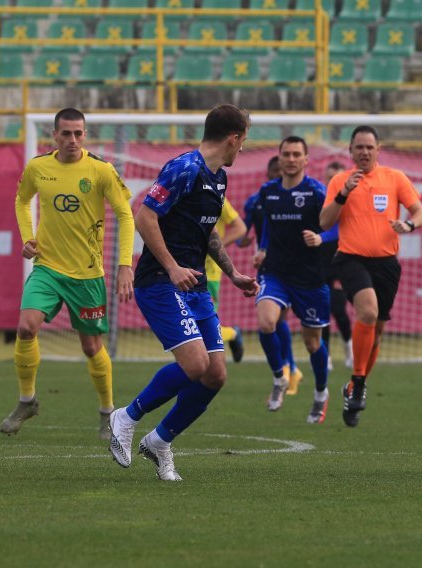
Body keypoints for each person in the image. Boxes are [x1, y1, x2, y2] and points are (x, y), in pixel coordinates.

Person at [108, 104, 259, 481]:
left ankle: (159, 442)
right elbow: (145, 216)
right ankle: (126, 417)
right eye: (244, 141)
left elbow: (205, 231)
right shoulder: (184, 168)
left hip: (193, 285)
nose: (242, 149)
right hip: (161, 280)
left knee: (216, 375)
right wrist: (173, 267)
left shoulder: (218, 177)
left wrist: (234, 272)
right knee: (196, 366)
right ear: (234, 137)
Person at [0, 107, 135, 440]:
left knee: (91, 347)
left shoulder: (101, 170)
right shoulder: (38, 167)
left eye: (78, 133)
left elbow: (126, 215)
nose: (72, 139)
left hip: (86, 274)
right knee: (26, 327)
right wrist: (27, 238)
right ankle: (27, 400)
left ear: (85, 135)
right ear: (54, 136)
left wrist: (124, 265)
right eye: (66, 133)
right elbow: (21, 201)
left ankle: (107, 412)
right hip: (47, 267)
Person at [320, 125, 422, 427]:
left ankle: (355, 387)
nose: (364, 152)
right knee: (367, 312)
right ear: (350, 151)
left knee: (377, 331)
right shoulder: (341, 180)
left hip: (386, 263)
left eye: (370, 147)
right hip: (351, 259)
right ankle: (358, 381)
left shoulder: (394, 178)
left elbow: (420, 213)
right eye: (359, 147)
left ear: (378, 149)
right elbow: (324, 220)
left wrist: (408, 225)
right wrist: (343, 194)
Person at [253, 135, 331, 422]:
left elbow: (338, 227)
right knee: (266, 322)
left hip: (309, 278)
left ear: (306, 160)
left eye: (297, 154)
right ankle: (279, 377)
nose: (291, 159)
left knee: (312, 343)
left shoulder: (317, 192)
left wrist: (321, 238)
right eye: (286, 154)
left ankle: (321, 393)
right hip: (275, 273)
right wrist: (262, 248)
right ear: (280, 157)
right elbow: (268, 229)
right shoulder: (268, 192)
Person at [239, 156, 304, 393]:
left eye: (281, 170)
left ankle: (290, 368)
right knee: (273, 320)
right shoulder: (257, 201)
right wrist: (236, 237)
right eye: (274, 171)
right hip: (267, 267)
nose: (278, 174)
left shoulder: (299, 198)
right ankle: (290, 368)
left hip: (291, 266)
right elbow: (245, 236)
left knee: (278, 320)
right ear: (268, 174)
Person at [319, 161, 353, 370]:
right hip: (321, 258)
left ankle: (349, 348)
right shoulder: (319, 198)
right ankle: (327, 356)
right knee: (322, 308)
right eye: (329, 177)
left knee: (339, 308)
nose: (332, 181)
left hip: (342, 255)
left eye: (336, 177)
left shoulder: (351, 199)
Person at [206, 198, 247, 363]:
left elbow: (240, 227)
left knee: (204, 324)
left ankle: (232, 333)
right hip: (184, 267)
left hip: (209, 273)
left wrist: (214, 247)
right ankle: (231, 333)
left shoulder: (217, 196)